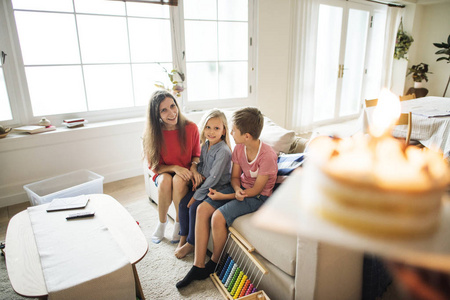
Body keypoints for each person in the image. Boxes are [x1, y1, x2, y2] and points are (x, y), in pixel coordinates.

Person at [176, 107, 278, 288]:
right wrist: (235, 189)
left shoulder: (267, 156)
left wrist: (226, 195)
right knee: (201, 208)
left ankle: (214, 263)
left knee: (217, 217)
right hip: (240, 188)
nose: (230, 133)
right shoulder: (239, 148)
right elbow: (235, 177)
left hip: (257, 197)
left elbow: (255, 191)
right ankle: (198, 265)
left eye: (233, 130)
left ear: (246, 135)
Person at [143, 90, 201, 244]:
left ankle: (178, 223)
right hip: (164, 171)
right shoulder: (153, 133)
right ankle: (162, 223)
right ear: (156, 114)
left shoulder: (191, 128)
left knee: (179, 181)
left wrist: (192, 167)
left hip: (185, 174)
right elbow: (154, 166)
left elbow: (197, 154)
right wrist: (175, 167)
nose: (172, 112)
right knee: (165, 181)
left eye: (172, 106)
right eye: (164, 110)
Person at [175, 109, 232, 259]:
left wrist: (197, 196)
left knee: (193, 207)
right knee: (182, 204)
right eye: (208, 127)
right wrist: (196, 175)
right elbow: (201, 165)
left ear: (224, 130)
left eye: (216, 128)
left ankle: (191, 243)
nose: (211, 132)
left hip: (217, 188)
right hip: (204, 185)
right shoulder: (205, 145)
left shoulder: (224, 151)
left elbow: (214, 178)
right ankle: (184, 236)